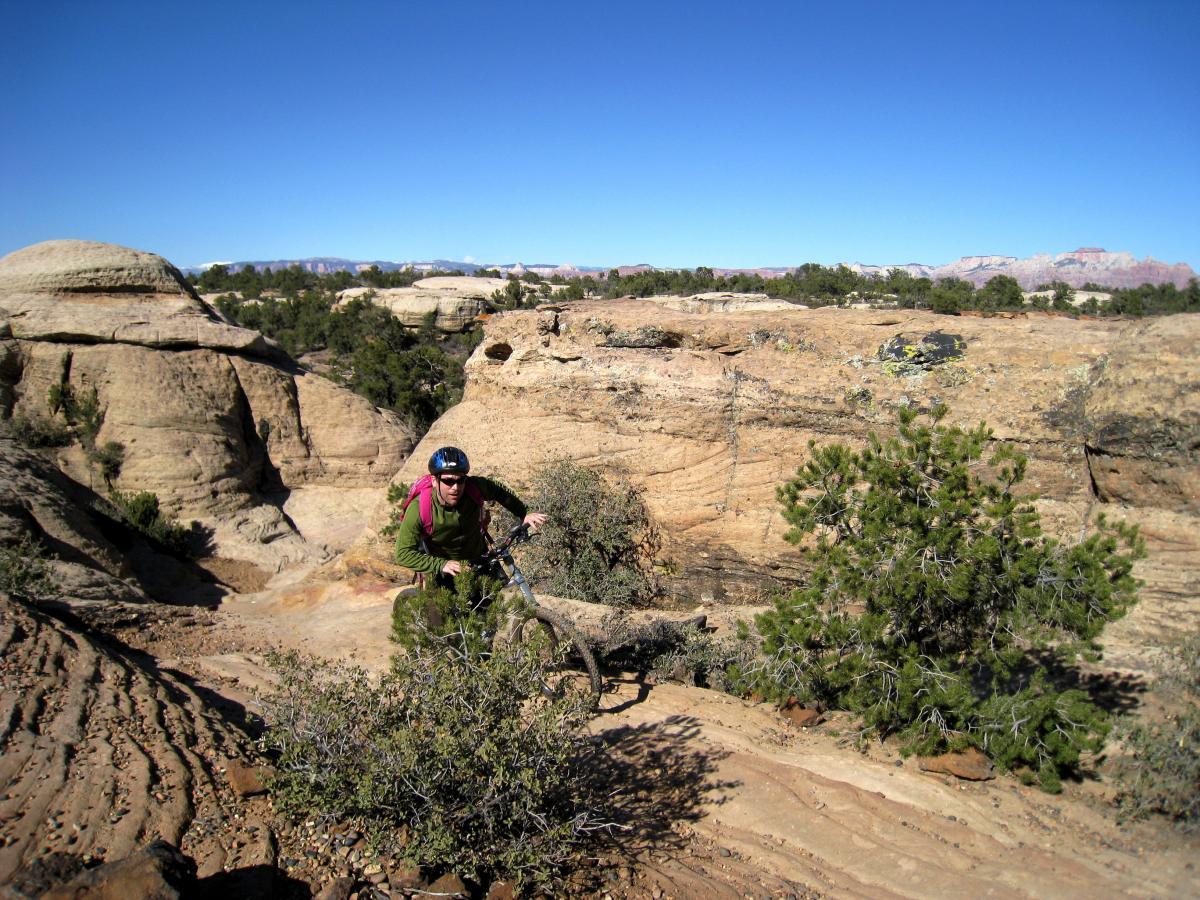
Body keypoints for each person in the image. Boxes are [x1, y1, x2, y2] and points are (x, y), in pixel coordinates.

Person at [393, 446, 547, 591]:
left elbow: (500, 492)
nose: (455, 487)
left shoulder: (475, 487)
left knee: (488, 608)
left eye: (460, 480)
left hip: (479, 558)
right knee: (446, 616)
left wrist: (524, 512)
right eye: (448, 481)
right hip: (445, 569)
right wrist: (440, 564)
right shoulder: (419, 508)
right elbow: (402, 554)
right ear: (434, 481)